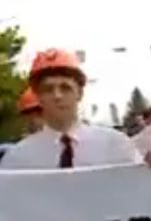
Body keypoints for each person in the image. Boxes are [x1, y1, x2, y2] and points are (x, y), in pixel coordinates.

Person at [2, 49, 141, 169]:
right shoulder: (17, 158)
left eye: (65, 88)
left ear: (79, 94)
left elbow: (140, 184)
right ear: (39, 97)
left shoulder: (115, 146)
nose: (57, 95)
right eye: (48, 89)